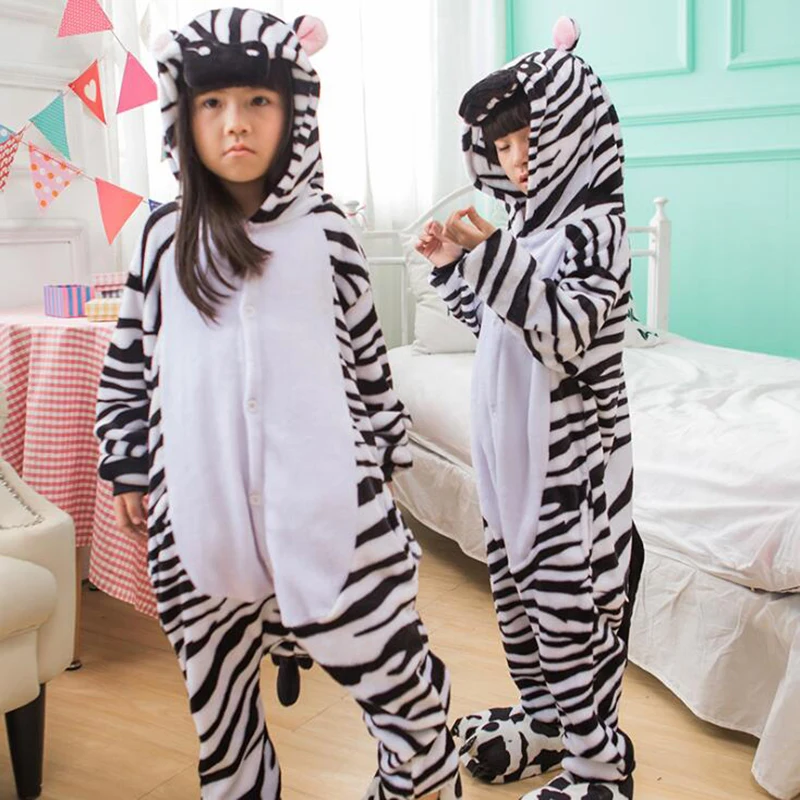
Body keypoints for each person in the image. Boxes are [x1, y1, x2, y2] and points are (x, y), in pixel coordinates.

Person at [95, 9, 461, 799]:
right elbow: (129, 363)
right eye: (212, 104)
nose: (236, 123)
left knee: (396, 684)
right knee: (220, 711)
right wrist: (127, 464)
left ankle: (422, 773)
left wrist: (383, 456)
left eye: (258, 102)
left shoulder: (327, 231)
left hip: (328, 501)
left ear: (293, 109)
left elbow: (368, 357)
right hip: (200, 512)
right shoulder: (160, 237)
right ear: (182, 114)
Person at [415, 17, 644, 800]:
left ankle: (599, 764)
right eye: (503, 145)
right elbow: (498, 326)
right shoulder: (524, 229)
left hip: (571, 465)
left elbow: (563, 335)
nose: (516, 159)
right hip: (511, 455)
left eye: (529, 139)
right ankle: (548, 725)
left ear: (573, 131)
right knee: (519, 605)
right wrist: (454, 265)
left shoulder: (597, 231)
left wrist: (492, 255)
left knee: (570, 614)